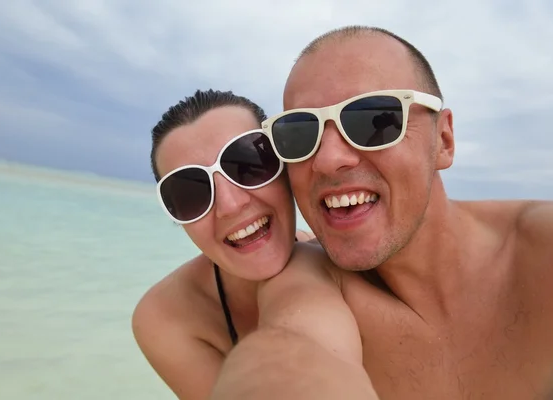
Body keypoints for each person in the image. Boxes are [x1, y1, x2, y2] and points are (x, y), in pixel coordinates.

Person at [210, 26, 553, 399]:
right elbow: (295, 345)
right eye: (298, 134)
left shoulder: (539, 253)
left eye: (374, 121)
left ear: (443, 141)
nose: (327, 160)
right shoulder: (309, 280)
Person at [131, 89, 378, 400]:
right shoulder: (166, 317)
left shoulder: (352, 257)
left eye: (248, 163)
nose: (230, 205)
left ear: (286, 168)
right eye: (190, 194)